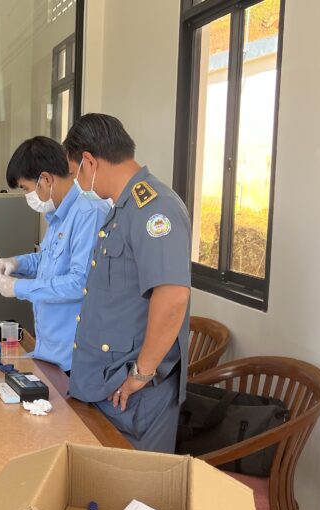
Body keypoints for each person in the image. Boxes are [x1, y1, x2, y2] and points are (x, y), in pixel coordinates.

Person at [64, 114, 191, 453]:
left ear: (90, 161)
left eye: (76, 172)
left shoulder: (155, 209)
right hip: (106, 382)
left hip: (134, 393)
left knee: (136, 483)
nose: (79, 183)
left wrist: (142, 373)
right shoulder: (123, 209)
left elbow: (172, 296)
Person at [0, 136, 110, 373]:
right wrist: (17, 263)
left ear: (45, 179)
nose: (27, 196)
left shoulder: (89, 213)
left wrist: (19, 288)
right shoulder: (58, 213)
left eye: (26, 189)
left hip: (75, 358)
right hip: (50, 351)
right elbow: (49, 261)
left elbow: (80, 283)